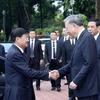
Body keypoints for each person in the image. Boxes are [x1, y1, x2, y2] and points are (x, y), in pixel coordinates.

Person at [52, 15, 99, 100]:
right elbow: (74, 62)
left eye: (67, 28)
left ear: (74, 26)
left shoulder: (87, 37)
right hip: (83, 89)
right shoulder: (80, 38)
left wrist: (76, 80)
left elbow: (89, 63)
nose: (66, 31)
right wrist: (59, 72)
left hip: (88, 89)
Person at [3, 28, 57, 100]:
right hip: (17, 94)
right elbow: (28, 72)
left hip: (21, 91)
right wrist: (48, 74)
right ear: (18, 39)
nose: (28, 40)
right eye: (26, 37)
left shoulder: (18, 51)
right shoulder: (15, 54)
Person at [87, 18, 100, 100]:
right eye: (88, 27)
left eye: (92, 27)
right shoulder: (85, 39)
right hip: (89, 76)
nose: (89, 29)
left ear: (98, 28)